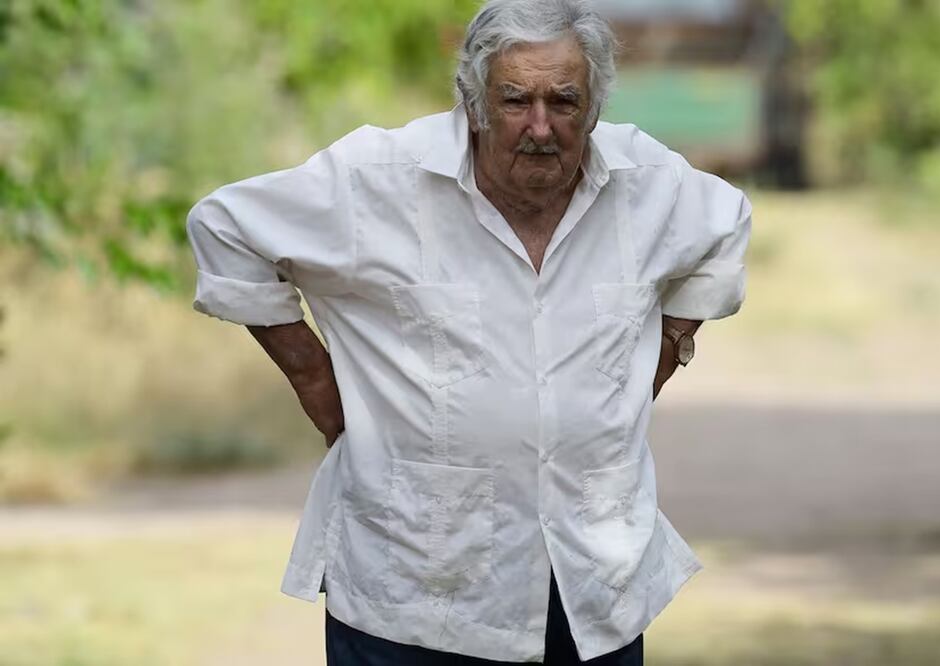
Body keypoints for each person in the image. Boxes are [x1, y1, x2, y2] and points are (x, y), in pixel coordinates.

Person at [185, 0, 751, 663]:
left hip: (592, 588)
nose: (540, 127)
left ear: (594, 107)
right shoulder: (379, 180)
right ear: (473, 101)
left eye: (563, 102)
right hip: (415, 598)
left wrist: (664, 349)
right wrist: (314, 377)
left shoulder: (648, 185)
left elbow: (727, 225)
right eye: (516, 101)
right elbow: (223, 228)